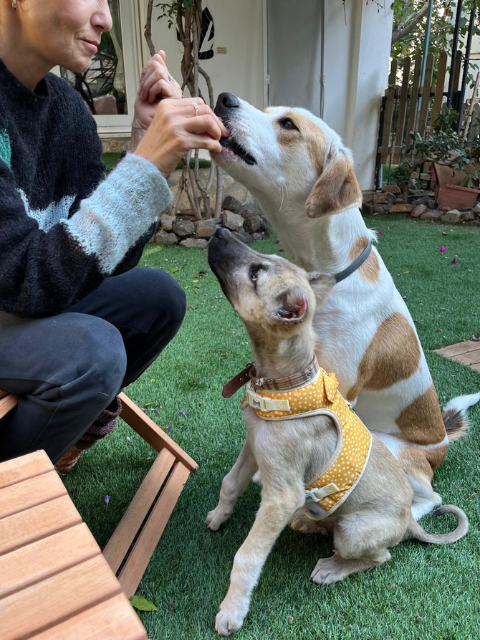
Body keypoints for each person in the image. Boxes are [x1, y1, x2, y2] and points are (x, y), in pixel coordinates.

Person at [0, 0, 228, 471]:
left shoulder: (68, 110)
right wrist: (144, 167)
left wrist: (143, 143)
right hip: (12, 300)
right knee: (94, 352)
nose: (105, 18)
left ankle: (66, 435)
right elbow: (23, 279)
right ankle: (15, 478)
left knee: (158, 296)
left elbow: (103, 263)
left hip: (24, 308)